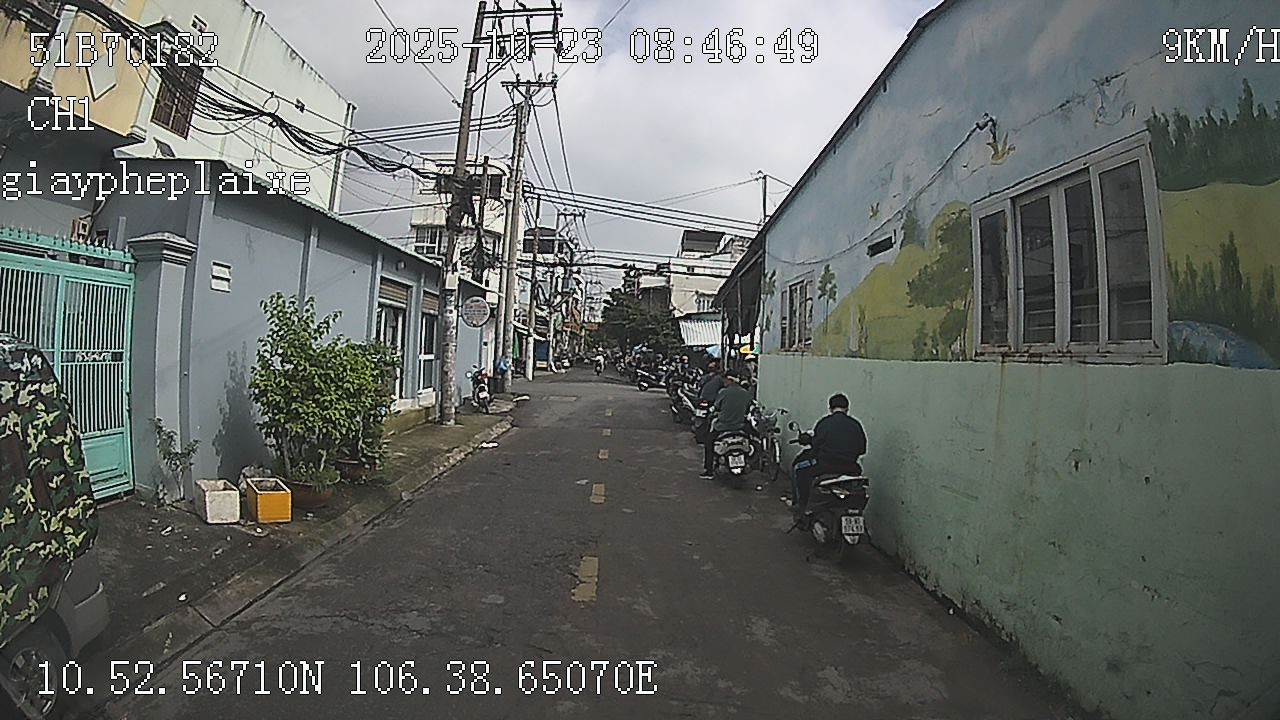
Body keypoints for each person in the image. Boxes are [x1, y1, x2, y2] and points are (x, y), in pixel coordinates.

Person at [790, 393, 867, 512]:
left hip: (825, 466)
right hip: (850, 467)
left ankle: (803, 507)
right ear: (847, 408)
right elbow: (862, 449)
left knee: (798, 468)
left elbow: (815, 446)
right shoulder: (856, 425)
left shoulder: (824, 423)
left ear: (830, 408)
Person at [702, 370, 751, 479]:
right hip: (740, 427)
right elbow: (748, 408)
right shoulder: (745, 393)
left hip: (722, 427)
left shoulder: (723, 392)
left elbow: (717, 406)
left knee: (709, 444)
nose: (724, 382)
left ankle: (709, 471)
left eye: (725, 380)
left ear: (730, 380)